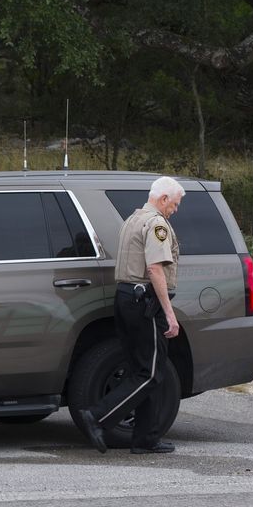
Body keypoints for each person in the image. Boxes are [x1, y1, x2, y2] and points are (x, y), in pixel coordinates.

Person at [79, 176, 185, 455]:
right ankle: (98, 417)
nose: (175, 210)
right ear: (163, 199)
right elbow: (155, 270)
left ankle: (145, 438)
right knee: (149, 373)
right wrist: (170, 314)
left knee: (143, 369)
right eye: (175, 204)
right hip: (145, 303)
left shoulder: (132, 219)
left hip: (126, 298)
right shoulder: (157, 224)